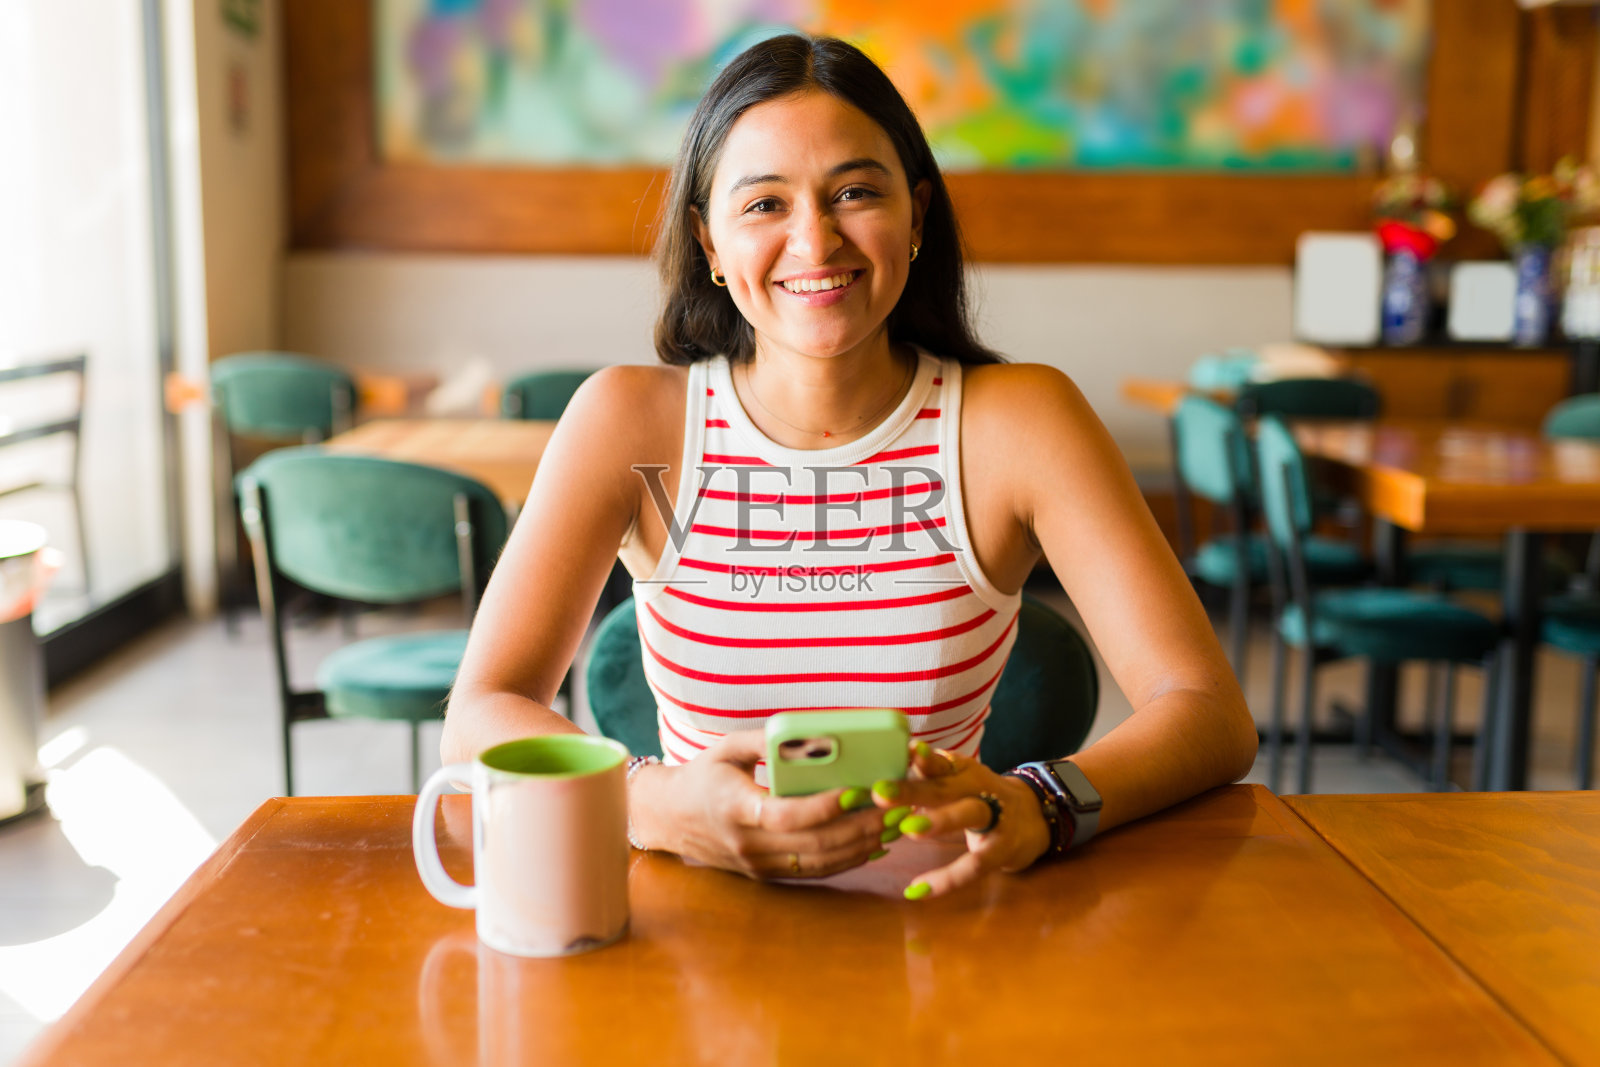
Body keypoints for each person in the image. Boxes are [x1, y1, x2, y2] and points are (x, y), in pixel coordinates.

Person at [442, 33, 1256, 899]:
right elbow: (478, 714)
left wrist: (1044, 800)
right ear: (709, 243)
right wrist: (651, 800)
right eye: (763, 205)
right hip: (693, 938)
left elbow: (1207, 711)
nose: (816, 240)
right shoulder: (628, 421)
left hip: (944, 929)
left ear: (916, 215)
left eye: (856, 192)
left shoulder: (1022, 421)